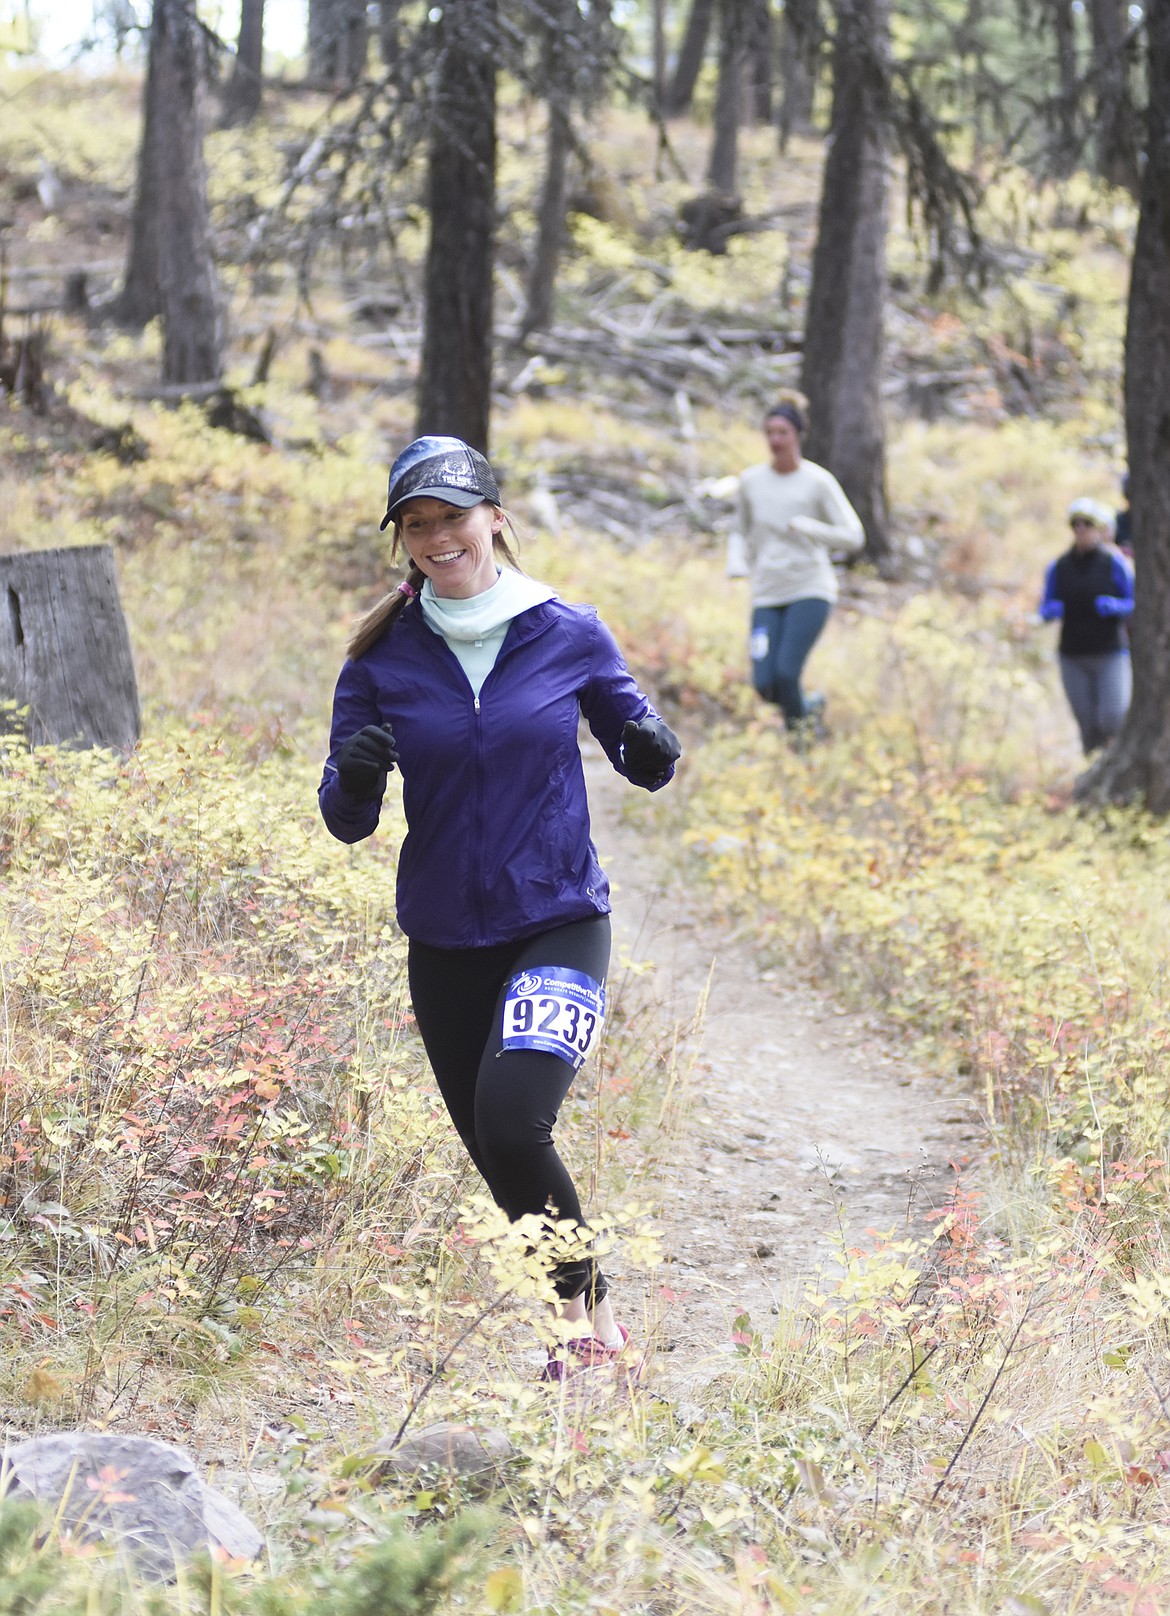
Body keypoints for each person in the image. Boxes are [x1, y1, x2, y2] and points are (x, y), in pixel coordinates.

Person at [318, 436, 681, 1382]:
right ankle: (599, 1309)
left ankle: (573, 1328)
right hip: (443, 935)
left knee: (515, 1119)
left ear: (496, 520)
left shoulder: (565, 628)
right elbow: (344, 819)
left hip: (558, 914)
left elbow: (634, 743)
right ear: (402, 540)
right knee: (490, 1144)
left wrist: (650, 744)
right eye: (418, 522)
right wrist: (355, 781)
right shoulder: (382, 657)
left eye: (453, 516)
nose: (439, 537)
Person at [726, 398, 864, 737]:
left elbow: (854, 536)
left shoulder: (817, 482)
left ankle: (802, 744)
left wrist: (809, 527)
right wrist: (735, 561)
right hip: (767, 592)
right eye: (769, 432)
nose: (775, 440)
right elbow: (740, 530)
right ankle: (811, 707)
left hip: (809, 588)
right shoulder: (751, 481)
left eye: (782, 432)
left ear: (798, 435)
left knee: (787, 675)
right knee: (765, 683)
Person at [1037, 496, 1134, 755]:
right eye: (1075, 523)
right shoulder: (1059, 567)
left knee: (1112, 717)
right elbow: (1044, 607)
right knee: (1087, 723)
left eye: (1087, 523)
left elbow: (1136, 602)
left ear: (1097, 527)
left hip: (1110, 653)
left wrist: (1116, 606)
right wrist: (1050, 611)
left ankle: (1116, 759)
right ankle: (1093, 768)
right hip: (1072, 655)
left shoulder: (1114, 563)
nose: (1081, 529)